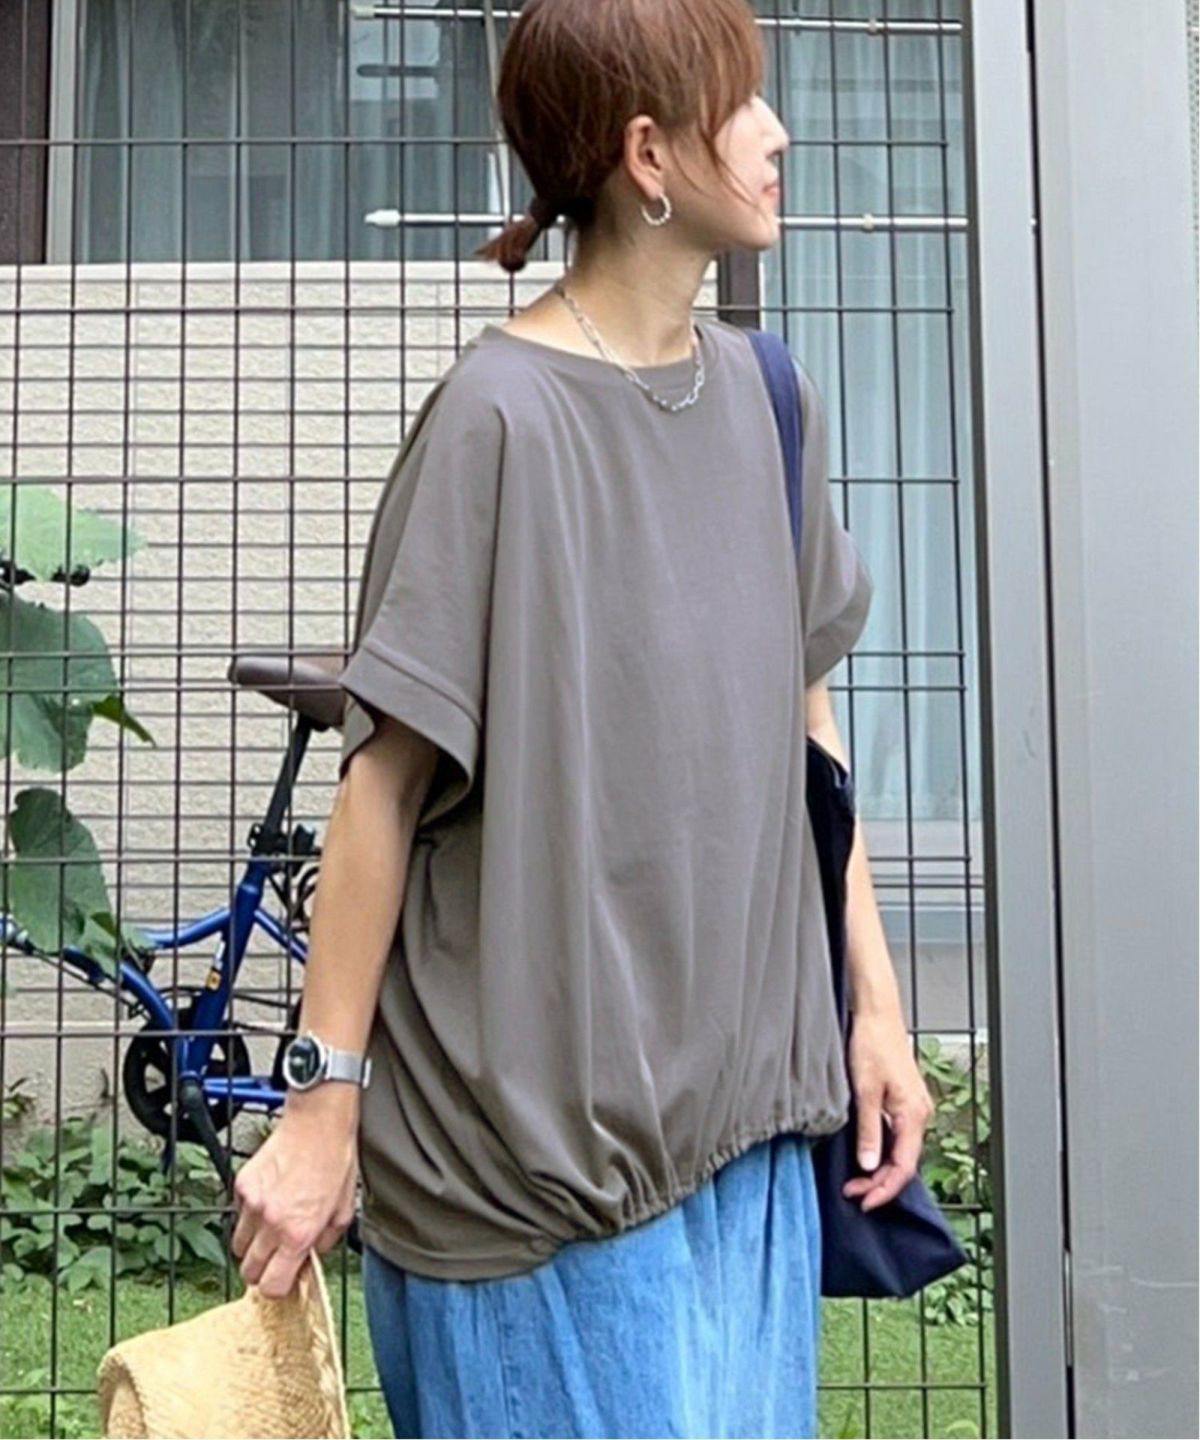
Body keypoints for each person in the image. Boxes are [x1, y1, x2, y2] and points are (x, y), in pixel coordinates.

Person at [230, 0, 935, 1435]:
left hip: (747, 1157)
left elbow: (809, 738)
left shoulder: (770, 400)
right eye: (743, 105)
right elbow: (381, 786)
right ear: (648, 156)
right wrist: (319, 1108)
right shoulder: (496, 419)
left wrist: (875, 1008)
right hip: (532, 1192)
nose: (778, 134)